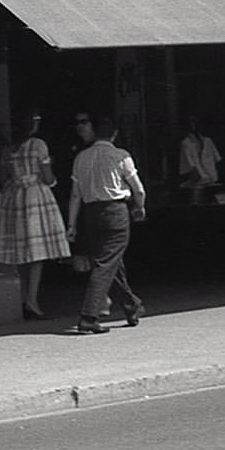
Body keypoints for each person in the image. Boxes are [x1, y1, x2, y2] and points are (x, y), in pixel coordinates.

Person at [65, 115, 148, 333]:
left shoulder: (81, 158)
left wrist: (71, 224)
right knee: (106, 264)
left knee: (110, 262)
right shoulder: (120, 155)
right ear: (114, 134)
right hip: (115, 211)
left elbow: (75, 195)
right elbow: (138, 188)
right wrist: (139, 208)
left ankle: (132, 306)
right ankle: (88, 316)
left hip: (90, 213)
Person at [0, 111, 70, 320]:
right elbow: (47, 177)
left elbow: (2, 179)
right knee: (37, 253)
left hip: (14, 198)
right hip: (35, 196)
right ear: (32, 125)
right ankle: (32, 301)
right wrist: (52, 180)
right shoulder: (38, 145)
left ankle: (22, 298)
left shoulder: (8, 149)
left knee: (21, 254)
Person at [177, 115, 223, 202]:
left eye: (195, 122)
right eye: (191, 122)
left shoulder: (208, 141)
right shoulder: (186, 143)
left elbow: (217, 160)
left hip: (212, 182)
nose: (193, 125)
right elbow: (191, 168)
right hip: (197, 185)